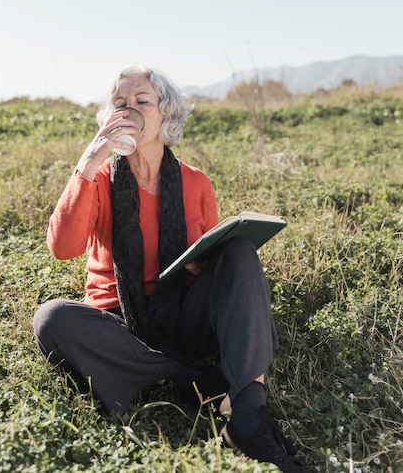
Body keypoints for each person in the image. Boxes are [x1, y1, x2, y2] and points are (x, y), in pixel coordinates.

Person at [33, 66, 312, 473]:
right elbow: (62, 248)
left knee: (238, 252)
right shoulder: (99, 178)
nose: (130, 111)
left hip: (180, 311)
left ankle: (248, 418)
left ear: (166, 114)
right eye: (120, 104)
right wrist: (90, 159)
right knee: (52, 318)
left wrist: (203, 264)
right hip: (119, 322)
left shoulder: (195, 183)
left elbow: (208, 259)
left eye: (142, 101)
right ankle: (188, 378)